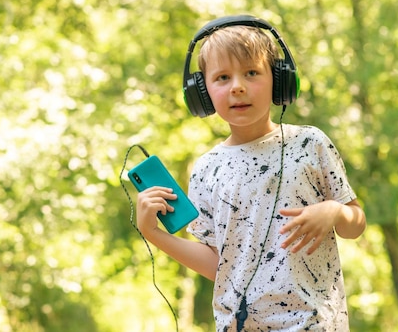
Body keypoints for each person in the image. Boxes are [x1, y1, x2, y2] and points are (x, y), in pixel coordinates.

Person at [136, 17, 366, 331]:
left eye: (252, 73)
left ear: (279, 80)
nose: (238, 86)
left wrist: (335, 210)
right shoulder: (206, 170)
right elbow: (220, 265)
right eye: (222, 78)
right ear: (202, 94)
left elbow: (356, 225)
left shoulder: (310, 143)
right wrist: (154, 234)